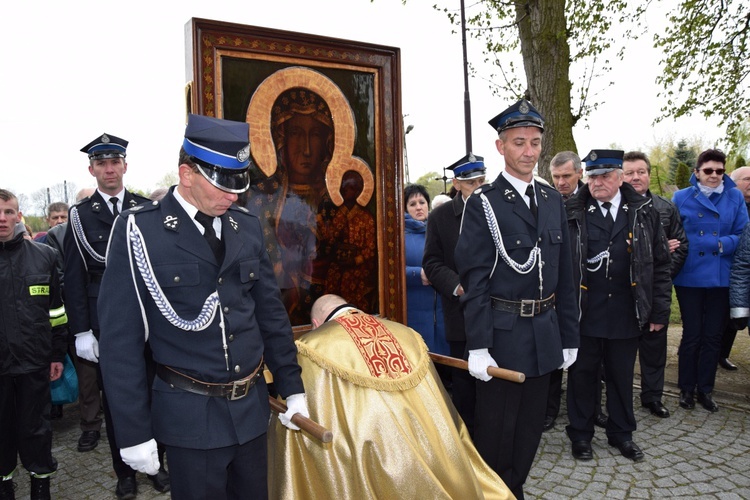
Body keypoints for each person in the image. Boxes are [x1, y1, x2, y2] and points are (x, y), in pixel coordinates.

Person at [97, 114, 308, 500]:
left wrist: (292, 386)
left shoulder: (244, 226)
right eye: (223, 184)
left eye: (238, 183)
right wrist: (133, 432)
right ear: (187, 174)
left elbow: (269, 315)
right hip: (189, 418)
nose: (233, 196)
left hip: (251, 412)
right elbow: (119, 342)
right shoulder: (140, 232)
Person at [266, 293, 513, 499]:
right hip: (426, 446)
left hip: (369, 452)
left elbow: (302, 413)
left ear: (317, 324)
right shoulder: (406, 334)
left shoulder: (312, 346)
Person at [455, 99, 579, 499]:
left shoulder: (551, 200)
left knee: (529, 430)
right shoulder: (484, 203)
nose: (529, 151)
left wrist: (569, 334)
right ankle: (492, 492)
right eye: (519, 142)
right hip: (503, 336)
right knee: (496, 430)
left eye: (535, 143)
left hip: (544, 333)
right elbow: (475, 280)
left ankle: (515, 489)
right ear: (501, 147)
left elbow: (567, 272)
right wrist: (478, 345)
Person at [62, 133, 161, 498]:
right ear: (92, 169)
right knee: (119, 399)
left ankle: (156, 464)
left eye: (114, 162)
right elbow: (73, 278)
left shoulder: (144, 207)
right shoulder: (80, 217)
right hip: (107, 322)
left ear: (124, 166)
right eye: (101, 163)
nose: (108, 168)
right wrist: (82, 331)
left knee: (155, 393)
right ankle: (125, 473)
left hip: (149, 321)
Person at [566, 149, 672, 462]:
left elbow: (660, 264)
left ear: (620, 177)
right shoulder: (573, 211)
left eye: (605, 175)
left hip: (627, 311)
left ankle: (621, 434)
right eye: (592, 176)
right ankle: (581, 435)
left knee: (621, 377)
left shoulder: (643, 211)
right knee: (581, 377)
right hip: (585, 312)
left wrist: (659, 311)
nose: (598, 182)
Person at [245, 87, 336, 324]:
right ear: (280, 138)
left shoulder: (336, 205)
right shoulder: (259, 200)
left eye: (315, 135)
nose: (306, 149)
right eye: (296, 133)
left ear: (327, 142)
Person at [0, 189, 68, 500]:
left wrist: (57, 354)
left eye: (9, 212)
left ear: (19, 215)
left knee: (36, 430)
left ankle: (41, 486)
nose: (2, 218)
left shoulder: (45, 257)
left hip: (34, 362)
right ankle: (4, 485)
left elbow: (57, 312)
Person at [672, 149, 749, 412]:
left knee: (713, 336)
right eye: (708, 171)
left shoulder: (735, 196)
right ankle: (686, 389)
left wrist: (719, 243)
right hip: (690, 275)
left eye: (719, 170)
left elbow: (743, 234)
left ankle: (706, 390)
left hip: (720, 276)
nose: (714, 175)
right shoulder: (681, 197)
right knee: (692, 334)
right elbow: (672, 230)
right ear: (697, 172)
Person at [422, 152, 486, 435]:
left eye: (483, 180)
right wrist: (457, 286)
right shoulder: (441, 217)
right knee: (465, 383)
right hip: (461, 314)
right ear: (457, 184)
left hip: (499, 313)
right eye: (472, 182)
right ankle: (467, 439)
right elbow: (432, 262)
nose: (479, 186)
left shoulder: (497, 208)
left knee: (495, 381)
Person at [622, 151, 688, 419]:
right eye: (629, 173)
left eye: (641, 172)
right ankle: (619, 398)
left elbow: (680, 246)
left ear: (649, 174)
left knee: (653, 349)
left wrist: (653, 271)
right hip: (623, 294)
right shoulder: (614, 209)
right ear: (621, 176)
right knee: (620, 355)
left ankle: (652, 397)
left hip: (655, 293)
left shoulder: (665, 208)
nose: (635, 177)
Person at [544, 150, 595, 432]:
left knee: (586, 359)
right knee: (553, 356)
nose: (561, 182)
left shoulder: (590, 201)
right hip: (556, 291)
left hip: (587, 289)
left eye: (566, 176)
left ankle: (588, 410)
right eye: (556, 177)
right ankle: (549, 410)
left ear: (579, 174)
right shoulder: (547, 202)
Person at [319, 170, 376, 311]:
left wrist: (357, 260)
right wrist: (320, 222)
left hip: (358, 270)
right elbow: (331, 238)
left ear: (357, 191)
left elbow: (371, 246)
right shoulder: (340, 213)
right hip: (339, 266)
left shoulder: (365, 217)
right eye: (342, 186)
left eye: (348, 186)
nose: (344, 189)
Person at [404, 184, 449, 359]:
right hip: (414, 309)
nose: (418, 207)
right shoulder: (398, 235)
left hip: (442, 312)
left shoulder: (438, 230)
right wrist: (417, 274)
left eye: (422, 202)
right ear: (405, 208)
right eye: (412, 204)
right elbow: (391, 270)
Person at [719, 166, 750, 370]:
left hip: (743, 269)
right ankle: (713, 353)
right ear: (733, 181)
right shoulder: (727, 202)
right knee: (720, 318)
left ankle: (723, 354)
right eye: (747, 179)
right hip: (725, 265)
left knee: (736, 318)